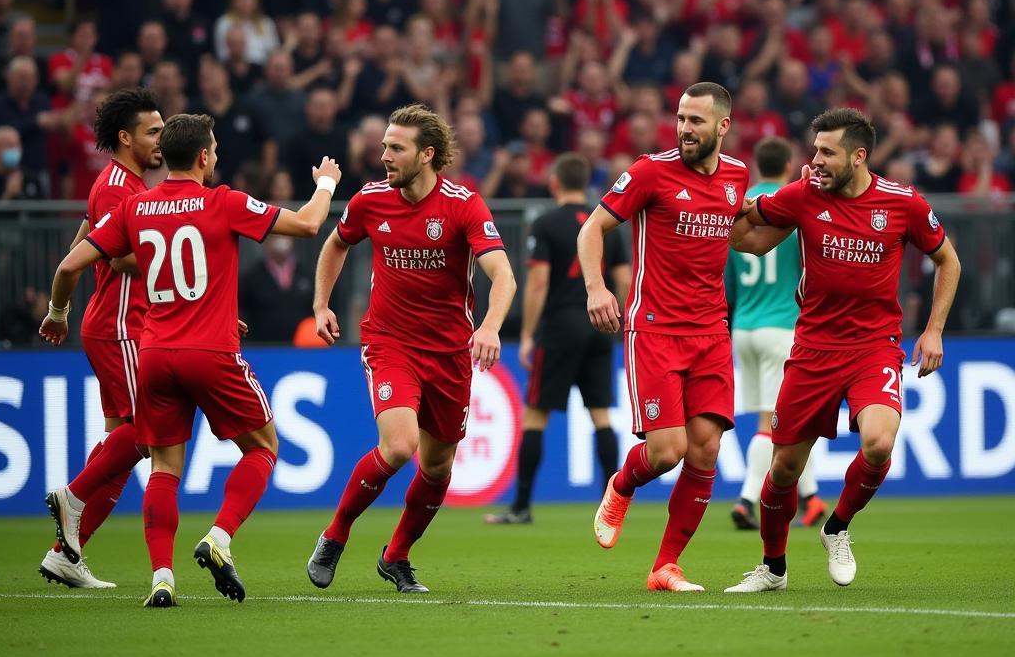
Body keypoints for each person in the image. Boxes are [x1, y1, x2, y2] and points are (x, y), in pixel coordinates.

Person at [40, 113, 342, 607]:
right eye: (216, 148)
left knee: (164, 467)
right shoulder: (222, 201)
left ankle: (162, 578)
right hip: (212, 352)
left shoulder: (136, 206)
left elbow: (70, 264)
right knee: (263, 447)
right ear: (204, 156)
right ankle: (219, 537)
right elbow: (308, 223)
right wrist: (327, 183)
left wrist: (57, 312)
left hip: (155, 354)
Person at [725, 109, 960, 593]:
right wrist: (729, 210)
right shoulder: (804, 195)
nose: (815, 161)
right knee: (783, 468)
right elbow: (748, 242)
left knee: (878, 441)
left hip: (874, 348)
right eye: (814, 150)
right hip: (811, 349)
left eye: (826, 152)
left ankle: (837, 527)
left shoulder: (902, 203)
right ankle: (773, 567)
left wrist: (934, 330)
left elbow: (947, 260)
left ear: (859, 155)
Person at [307, 103, 516, 594]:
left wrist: (489, 326)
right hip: (389, 342)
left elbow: (502, 274)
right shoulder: (370, 201)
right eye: (384, 146)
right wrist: (320, 304)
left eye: (395, 148)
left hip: (449, 353)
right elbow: (337, 243)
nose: (383, 155)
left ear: (427, 155)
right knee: (399, 445)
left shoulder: (463, 204)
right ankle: (335, 535)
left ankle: (396, 556)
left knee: (438, 465)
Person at [577, 82, 750, 592]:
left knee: (706, 450)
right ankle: (622, 483)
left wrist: (804, 200)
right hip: (655, 330)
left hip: (712, 333)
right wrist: (596, 288)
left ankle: (665, 567)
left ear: (722, 126)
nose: (684, 128)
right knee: (668, 450)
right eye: (680, 118)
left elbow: (746, 236)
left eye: (696, 120)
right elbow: (592, 230)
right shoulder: (651, 171)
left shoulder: (737, 177)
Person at [39, 88, 164, 589]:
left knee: (120, 444)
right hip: (121, 327)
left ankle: (66, 553)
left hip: (114, 323)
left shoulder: (116, 183)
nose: (161, 139)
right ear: (125, 137)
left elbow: (79, 249)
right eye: (153, 131)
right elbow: (116, 258)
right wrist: (184, 259)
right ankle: (72, 496)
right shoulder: (121, 189)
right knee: (148, 433)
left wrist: (60, 309)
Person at [484, 152, 630, 525]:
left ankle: (521, 506)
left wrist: (529, 334)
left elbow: (537, 281)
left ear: (554, 184)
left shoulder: (546, 223)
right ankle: (608, 506)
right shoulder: (606, 225)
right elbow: (625, 280)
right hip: (601, 326)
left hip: (560, 327)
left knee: (536, 415)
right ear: (586, 184)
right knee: (601, 415)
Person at [725, 136, 824, 532]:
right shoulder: (790, 202)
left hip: (743, 326)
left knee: (790, 421)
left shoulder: (741, 204)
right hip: (781, 324)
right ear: (787, 165)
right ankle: (747, 500)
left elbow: (728, 275)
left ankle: (812, 498)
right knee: (774, 424)